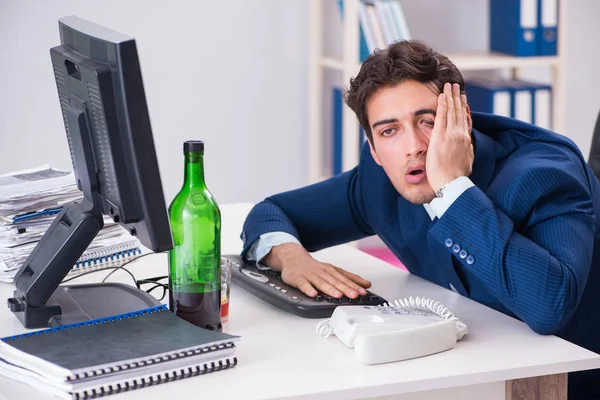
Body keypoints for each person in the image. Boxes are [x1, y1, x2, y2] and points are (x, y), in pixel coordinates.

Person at [240, 40, 600, 399]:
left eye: (427, 121)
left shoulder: (545, 173)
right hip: (464, 369)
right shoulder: (378, 179)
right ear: (374, 148)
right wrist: (292, 258)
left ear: (462, 119)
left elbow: (550, 307)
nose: (413, 146)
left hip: (562, 383)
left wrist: (453, 188)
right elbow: (271, 212)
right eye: (389, 131)